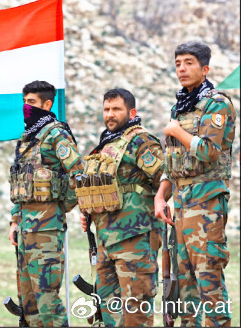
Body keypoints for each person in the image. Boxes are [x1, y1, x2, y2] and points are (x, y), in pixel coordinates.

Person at [154, 41, 236, 327]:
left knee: (209, 282)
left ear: (205, 69)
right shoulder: (180, 108)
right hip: (181, 207)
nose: (181, 69)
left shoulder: (217, 104)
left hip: (206, 206)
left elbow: (209, 152)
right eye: (178, 64)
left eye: (188, 63)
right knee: (185, 288)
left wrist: (178, 132)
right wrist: (160, 196)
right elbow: (172, 162)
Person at [76, 89, 164, 327]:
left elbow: (165, 179)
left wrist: (160, 201)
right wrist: (89, 212)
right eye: (106, 109)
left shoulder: (141, 141)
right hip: (106, 241)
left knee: (135, 312)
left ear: (131, 112)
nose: (110, 114)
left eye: (116, 109)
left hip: (134, 240)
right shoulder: (107, 144)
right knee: (109, 313)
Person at [7, 80, 84, 327]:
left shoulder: (56, 135)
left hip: (47, 230)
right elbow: (21, 185)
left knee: (47, 299)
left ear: (47, 104)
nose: (26, 107)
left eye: (31, 102)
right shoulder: (27, 139)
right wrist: (14, 221)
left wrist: (62, 206)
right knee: (28, 301)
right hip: (25, 229)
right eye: (24, 102)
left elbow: (78, 174)